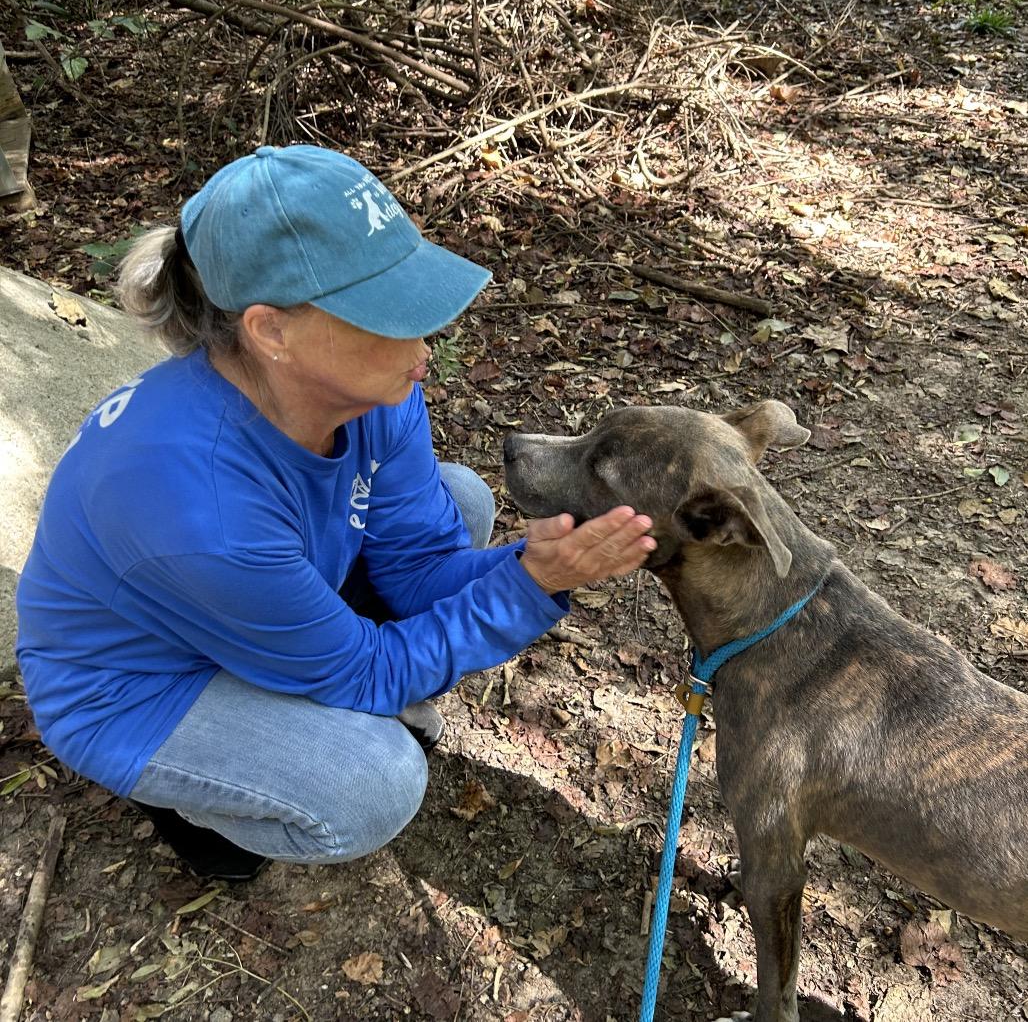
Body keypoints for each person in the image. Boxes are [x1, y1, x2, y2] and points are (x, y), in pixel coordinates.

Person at [15, 145, 655, 881]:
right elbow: (370, 674)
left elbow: (417, 570)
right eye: (386, 313)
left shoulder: (373, 388)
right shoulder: (196, 504)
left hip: (258, 587)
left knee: (464, 500)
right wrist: (527, 589)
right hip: (140, 682)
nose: (423, 346)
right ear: (271, 331)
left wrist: (533, 568)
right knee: (370, 786)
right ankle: (193, 802)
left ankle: (285, 680)